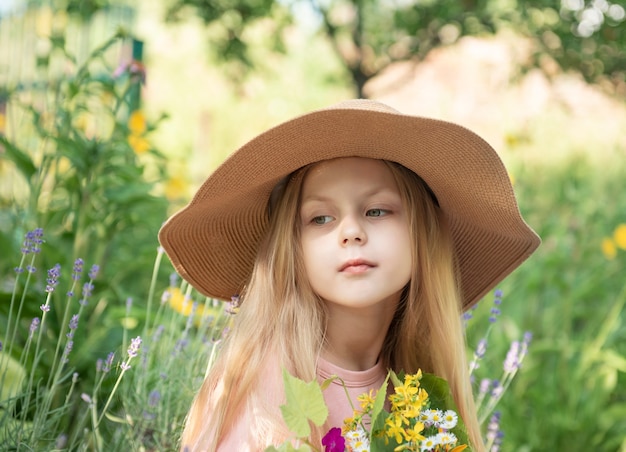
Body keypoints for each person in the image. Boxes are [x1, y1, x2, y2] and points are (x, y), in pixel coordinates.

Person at [158, 99, 540, 451]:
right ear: (292, 248)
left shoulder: (415, 392)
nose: (351, 231)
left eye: (376, 211)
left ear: (422, 233)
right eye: (321, 218)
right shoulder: (267, 385)